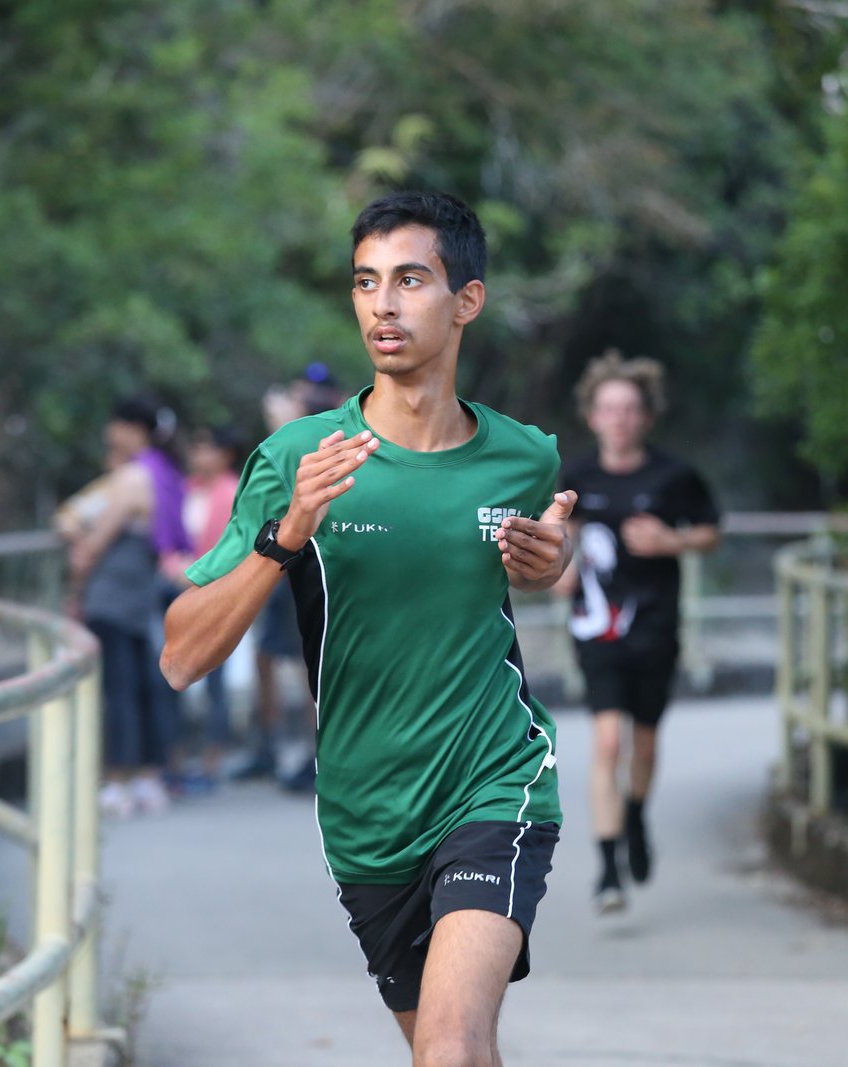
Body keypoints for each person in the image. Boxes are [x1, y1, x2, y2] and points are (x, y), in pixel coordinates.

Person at [162, 191, 575, 1065]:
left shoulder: (524, 455)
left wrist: (554, 559)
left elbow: (536, 558)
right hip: (367, 810)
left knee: (452, 1046)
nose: (383, 305)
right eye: (365, 282)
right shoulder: (299, 458)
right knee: (447, 1049)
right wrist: (287, 533)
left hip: (494, 778)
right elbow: (180, 654)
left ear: (466, 300)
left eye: (410, 280)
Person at [554, 349, 721, 914]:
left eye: (630, 409)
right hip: (596, 628)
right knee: (607, 741)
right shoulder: (575, 476)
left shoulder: (673, 475)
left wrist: (672, 542)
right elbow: (559, 539)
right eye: (609, 409)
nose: (619, 419)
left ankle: (638, 817)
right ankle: (607, 869)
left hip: (655, 625)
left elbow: (709, 532)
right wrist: (560, 566)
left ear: (646, 417)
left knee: (644, 742)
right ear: (592, 416)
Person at [62, 394, 191, 819]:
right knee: (140, 688)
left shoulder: (133, 477)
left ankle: (118, 781)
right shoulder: (166, 474)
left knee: (119, 692)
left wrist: (76, 583)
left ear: (132, 429)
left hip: (113, 599)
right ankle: (148, 778)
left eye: (115, 426)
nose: (109, 434)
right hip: (142, 599)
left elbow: (95, 542)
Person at [232, 363, 346, 793]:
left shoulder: (339, 430)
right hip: (278, 557)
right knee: (266, 654)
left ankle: (321, 756)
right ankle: (268, 746)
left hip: (317, 563)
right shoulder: (290, 431)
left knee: (310, 661)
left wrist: (287, 424)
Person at [165, 424, 247, 793]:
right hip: (180, 591)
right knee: (176, 676)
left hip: (216, 595)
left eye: (206, 446)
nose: (199, 454)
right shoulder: (187, 490)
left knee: (216, 680)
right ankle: (179, 759)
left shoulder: (234, 491)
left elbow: (235, 546)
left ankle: (211, 760)